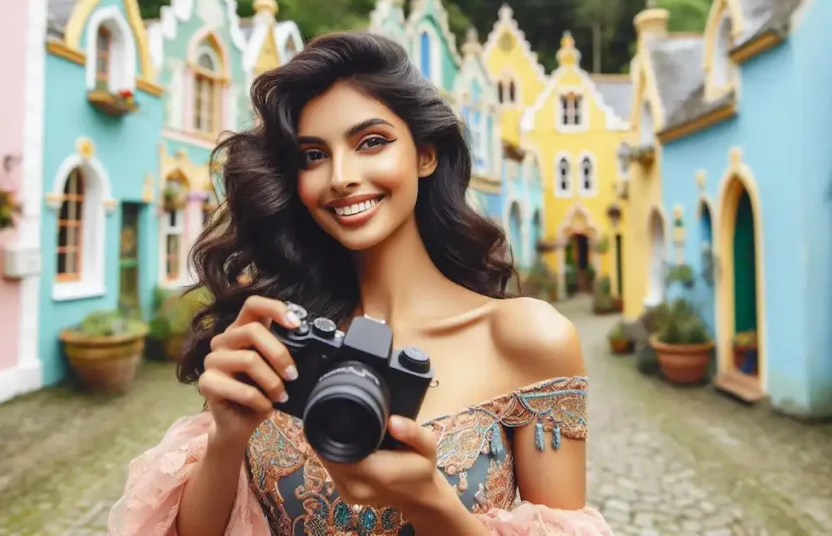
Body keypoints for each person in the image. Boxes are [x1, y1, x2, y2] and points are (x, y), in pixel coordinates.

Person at [108, 31, 612, 536]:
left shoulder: (526, 340)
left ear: (425, 155)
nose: (340, 176)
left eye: (371, 142)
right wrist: (226, 436)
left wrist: (434, 505)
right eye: (312, 155)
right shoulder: (280, 328)